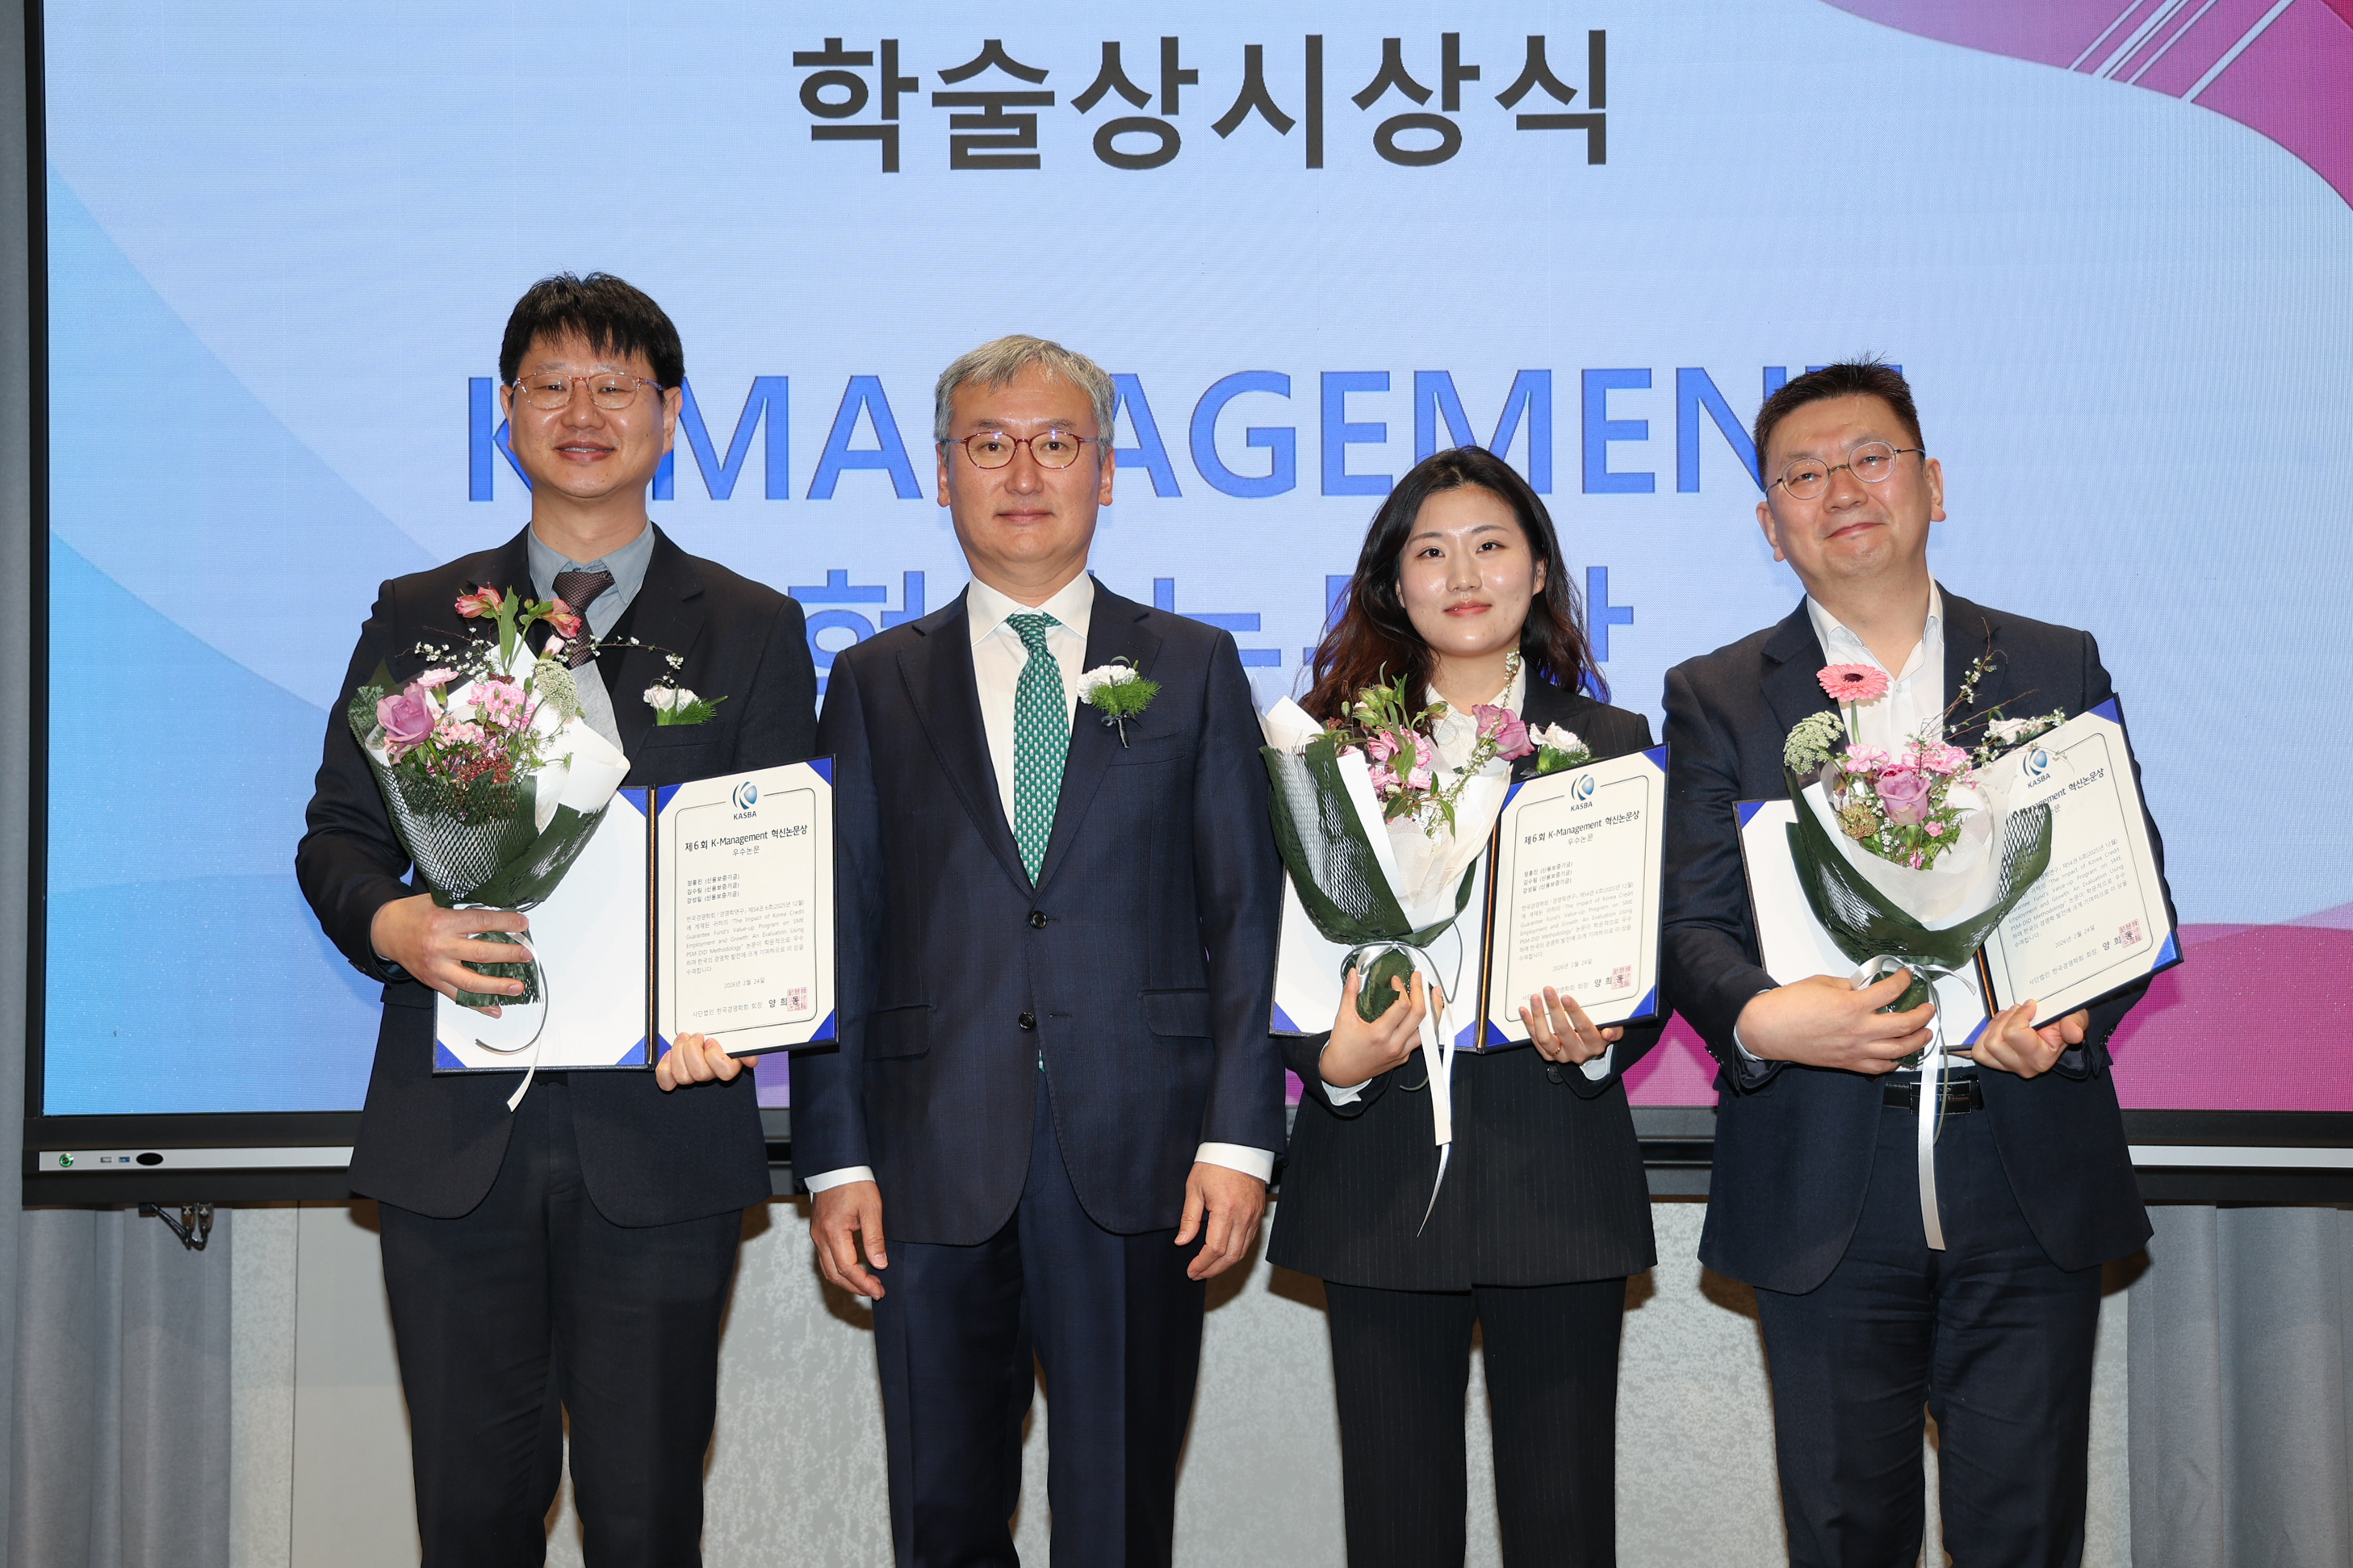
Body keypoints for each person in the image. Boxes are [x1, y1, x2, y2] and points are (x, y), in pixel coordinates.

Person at [295, 272, 817, 1566]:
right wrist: (399, 929)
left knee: (644, 1519)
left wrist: (738, 1010)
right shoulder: (420, 614)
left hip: (663, 1135)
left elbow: (783, 868)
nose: (584, 413)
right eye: (552, 385)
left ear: (671, 415)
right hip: (454, 1140)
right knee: (470, 1520)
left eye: (616, 386)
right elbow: (338, 837)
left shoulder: (751, 627)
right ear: (508, 411)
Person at [785, 334, 1283, 1566]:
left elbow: (1243, 917)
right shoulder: (873, 680)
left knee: (1116, 1518)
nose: (1023, 474)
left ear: (1104, 472)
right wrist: (834, 1157)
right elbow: (839, 929)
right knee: (942, 1516)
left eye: (1056, 444)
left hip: (1144, 1153)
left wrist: (1239, 1140)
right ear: (941, 471)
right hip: (927, 1153)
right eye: (989, 445)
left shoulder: (1192, 666)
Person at [1660, 361, 2169, 1566]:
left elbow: (2123, 887)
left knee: (2025, 1532)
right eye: (1803, 475)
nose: (1841, 489)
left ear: (1932, 484)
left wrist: (2070, 1014)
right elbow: (1689, 929)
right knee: (1845, 1533)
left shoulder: (2053, 665)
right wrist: (1766, 1019)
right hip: (1828, 1175)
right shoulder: (1719, 695)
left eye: (1870, 458)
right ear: (1770, 524)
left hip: (2023, 1162)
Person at [1267, 445, 1661, 1568]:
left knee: (1565, 1526)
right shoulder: (1328, 750)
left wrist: (1601, 1043)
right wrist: (1330, 1063)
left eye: (1491, 545)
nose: (1463, 573)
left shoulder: (1614, 744)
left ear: (1537, 570)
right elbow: (1276, 945)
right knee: (1396, 1530)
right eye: (1431, 552)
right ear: (1395, 584)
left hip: (1559, 1170)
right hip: (1378, 1171)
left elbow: (1654, 942)